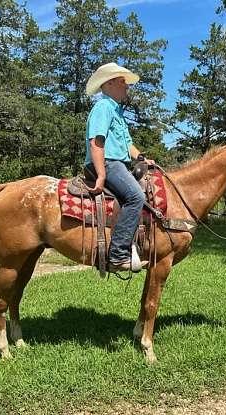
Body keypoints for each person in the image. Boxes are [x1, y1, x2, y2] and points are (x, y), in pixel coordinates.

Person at [84, 62, 155, 272]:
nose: (127, 86)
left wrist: (141, 157)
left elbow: (127, 144)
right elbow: (96, 141)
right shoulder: (103, 107)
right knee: (136, 197)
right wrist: (101, 174)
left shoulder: (116, 111)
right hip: (107, 163)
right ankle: (118, 255)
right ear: (111, 83)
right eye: (123, 82)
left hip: (116, 163)